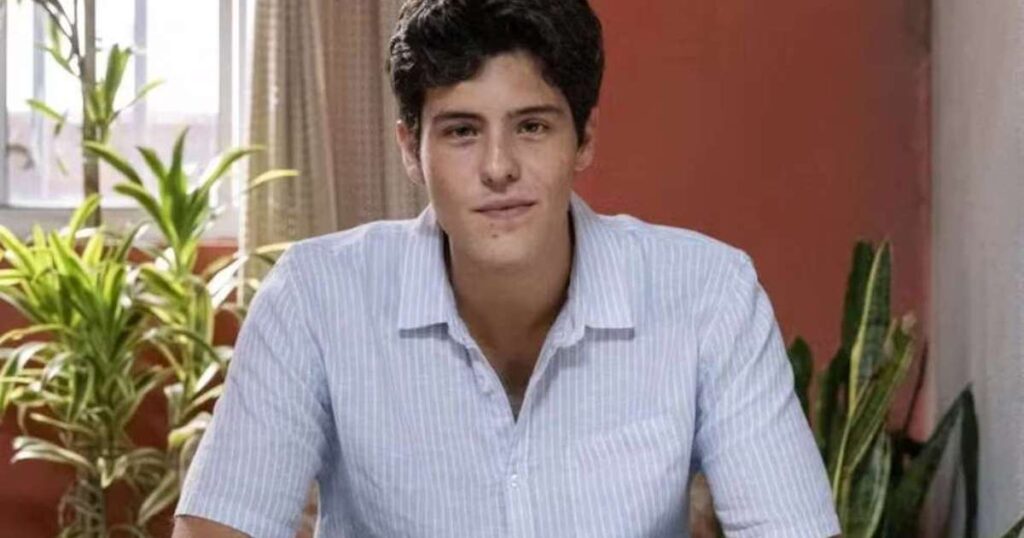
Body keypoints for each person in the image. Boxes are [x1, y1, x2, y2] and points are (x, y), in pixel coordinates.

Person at [173, 0, 840, 536]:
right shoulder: (314, 298)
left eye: (532, 127)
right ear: (411, 148)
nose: (498, 168)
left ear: (585, 139)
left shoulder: (710, 295)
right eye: (462, 131)